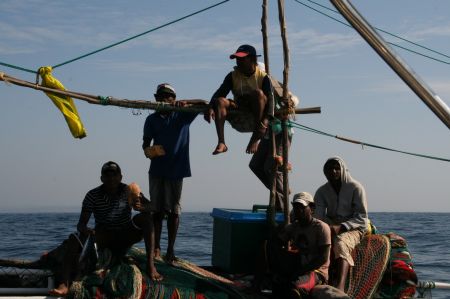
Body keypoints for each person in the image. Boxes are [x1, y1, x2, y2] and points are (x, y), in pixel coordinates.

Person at [49, 161, 161, 296]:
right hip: (104, 235)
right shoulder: (92, 195)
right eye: (107, 176)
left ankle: (151, 266)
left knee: (146, 218)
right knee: (74, 238)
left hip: (125, 234)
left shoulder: (129, 190)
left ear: (120, 177)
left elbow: (154, 207)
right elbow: (81, 224)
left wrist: (141, 207)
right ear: (102, 178)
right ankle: (64, 284)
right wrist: (86, 230)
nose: (111, 178)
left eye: (114, 175)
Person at [142, 83, 198, 265]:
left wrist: (186, 102)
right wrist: (150, 150)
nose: (165, 99)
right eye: (161, 96)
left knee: (174, 212)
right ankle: (156, 247)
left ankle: (170, 250)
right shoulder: (151, 119)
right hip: (157, 169)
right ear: (156, 99)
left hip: (177, 170)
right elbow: (145, 143)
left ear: (174, 99)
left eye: (168, 96)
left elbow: (205, 103)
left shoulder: (182, 116)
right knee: (156, 211)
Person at [204, 44, 275, 155]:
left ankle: (255, 138)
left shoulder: (263, 77)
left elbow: (271, 101)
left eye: (242, 59)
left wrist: (265, 122)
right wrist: (210, 107)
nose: (238, 61)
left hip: (257, 115)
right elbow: (219, 93)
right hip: (240, 111)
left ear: (252, 59)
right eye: (237, 59)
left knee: (258, 93)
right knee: (219, 101)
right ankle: (222, 143)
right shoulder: (232, 76)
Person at [314, 157, 368, 292]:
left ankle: (341, 286)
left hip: (355, 226)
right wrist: (323, 228)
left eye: (336, 168)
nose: (333, 171)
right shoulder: (322, 191)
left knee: (340, 242)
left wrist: (342, 227)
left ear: (342, 169)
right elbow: (318, 216)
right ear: (324, 172)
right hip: (332, 222)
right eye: (329, 169)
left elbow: (362, 217)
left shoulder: (356, 187)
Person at [268, 192, 331, 298]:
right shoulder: (293, 227)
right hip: (299, 266)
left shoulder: (321, 228)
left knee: (294, 287)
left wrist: (299, 272)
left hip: (316, 271)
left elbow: (323, 259)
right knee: (278, 282)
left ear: (311, 208)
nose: (298, 210)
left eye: (302, 207)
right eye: (296, 207)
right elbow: (275, 242)